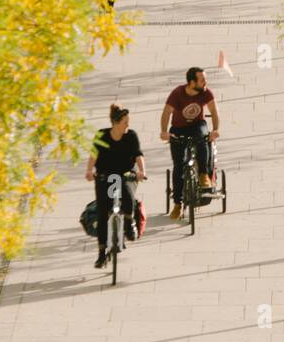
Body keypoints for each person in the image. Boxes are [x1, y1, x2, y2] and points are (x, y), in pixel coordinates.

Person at [86, 103, 146, 269]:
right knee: (103, 213)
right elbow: (93, 155)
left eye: (128, 122)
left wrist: (141, 171)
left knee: (127, 196)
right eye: (125, 122)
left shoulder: (131, 136)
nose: (128, 125)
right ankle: (101, 253)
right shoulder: (102, 135)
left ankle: (129, 223)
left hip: (125, 174)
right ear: (116, 123)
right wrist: (89, 171)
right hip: (105, 176)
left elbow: (138, 155)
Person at [160, 67, 220, 220]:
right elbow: (166, 112)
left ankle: (203, 174)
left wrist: (215, 130)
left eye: (205, 79)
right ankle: (178, 204)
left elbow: (214, 112)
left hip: (197, 125)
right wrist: (164, 132)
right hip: (178, 129)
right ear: (192, 82)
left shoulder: (206, 92)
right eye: (202, 80)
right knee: (179, 166)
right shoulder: (178, 93)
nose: (205, 82)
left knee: (203, 139)